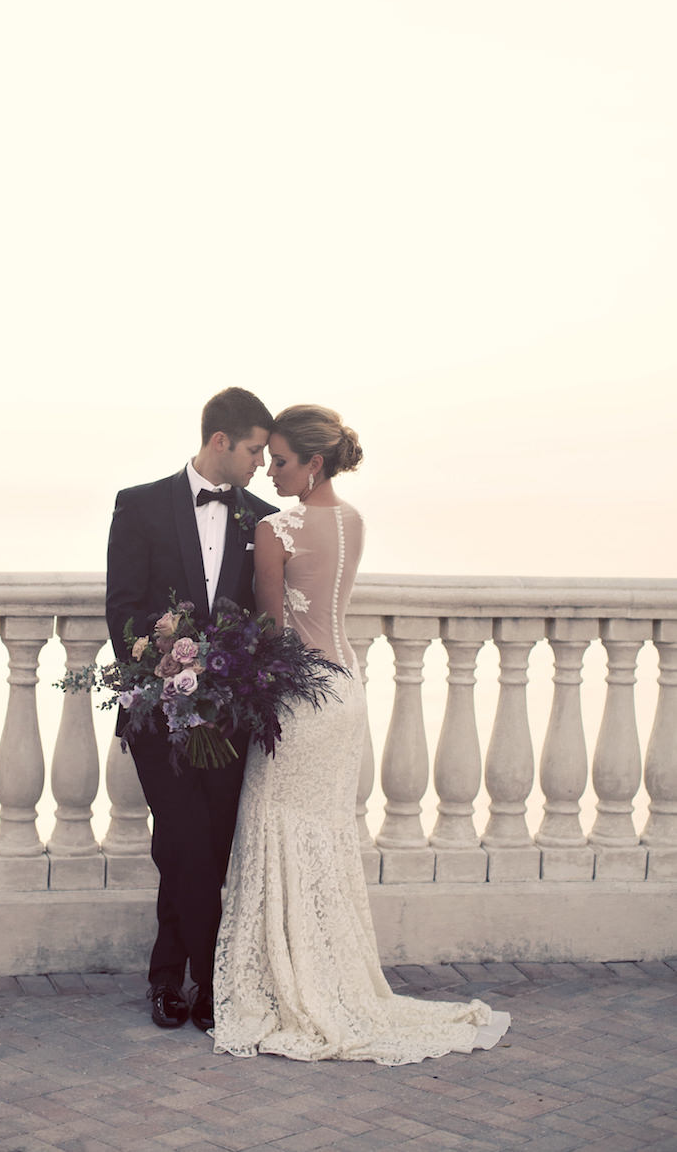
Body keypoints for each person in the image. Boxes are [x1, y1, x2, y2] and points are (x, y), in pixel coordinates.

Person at [212, 404, 511, 1064]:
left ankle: (290, 982)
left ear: (312, 463)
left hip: (300, 697)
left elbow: (272, 634)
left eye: (283, 462)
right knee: (323, 835)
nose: (274, 472)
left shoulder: (273, 529)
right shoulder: (352, 521)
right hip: (345, 689)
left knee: (278, 825)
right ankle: (333, 974)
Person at [106, 386, 278, 1031]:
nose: (261, 463)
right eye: (255, 450)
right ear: (219, 442)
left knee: (206, 847)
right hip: (158, 713)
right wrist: (166, 674)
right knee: (182, 842)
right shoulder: (141, 505)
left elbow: (264, 624)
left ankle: (168, 978)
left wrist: (227, 687)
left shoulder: (259, 520)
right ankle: (208, 984)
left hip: (230, 717)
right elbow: (122, 610)